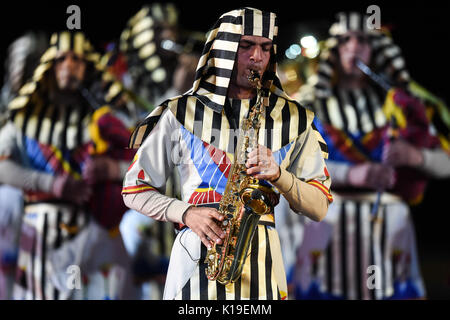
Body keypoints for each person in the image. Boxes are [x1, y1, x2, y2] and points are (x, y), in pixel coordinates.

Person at [122, 7, 333, 300]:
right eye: (246, 45)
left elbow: (319, 206)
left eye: (265, 47)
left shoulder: (294, 118)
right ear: (222, 49)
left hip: (262, 264)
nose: (257, 57)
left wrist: (280, 175)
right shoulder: (180, 112)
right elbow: (133, 189)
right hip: (194, 261)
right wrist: (185, 213)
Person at [294, 11, 450, 299]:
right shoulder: (307, 105)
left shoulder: (402, 105)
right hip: (327, 227)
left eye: (363, 40)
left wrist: (416, 157)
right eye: (346, 41)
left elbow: (446, 165)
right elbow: (287, 165)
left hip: (390, 229)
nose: (354, 47)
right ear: (335, 49)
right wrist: (351, 174)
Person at [0, 31, 136, 300]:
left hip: (99, 231)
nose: (69, 65)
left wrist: (112, 169)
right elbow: (1, 167)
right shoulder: (24, 119)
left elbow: (150, 165)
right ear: (49, 65)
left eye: (77, 59)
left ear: (88, 67)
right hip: (44, 231)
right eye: (62, 58)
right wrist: (52, 184)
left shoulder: (105, 118)